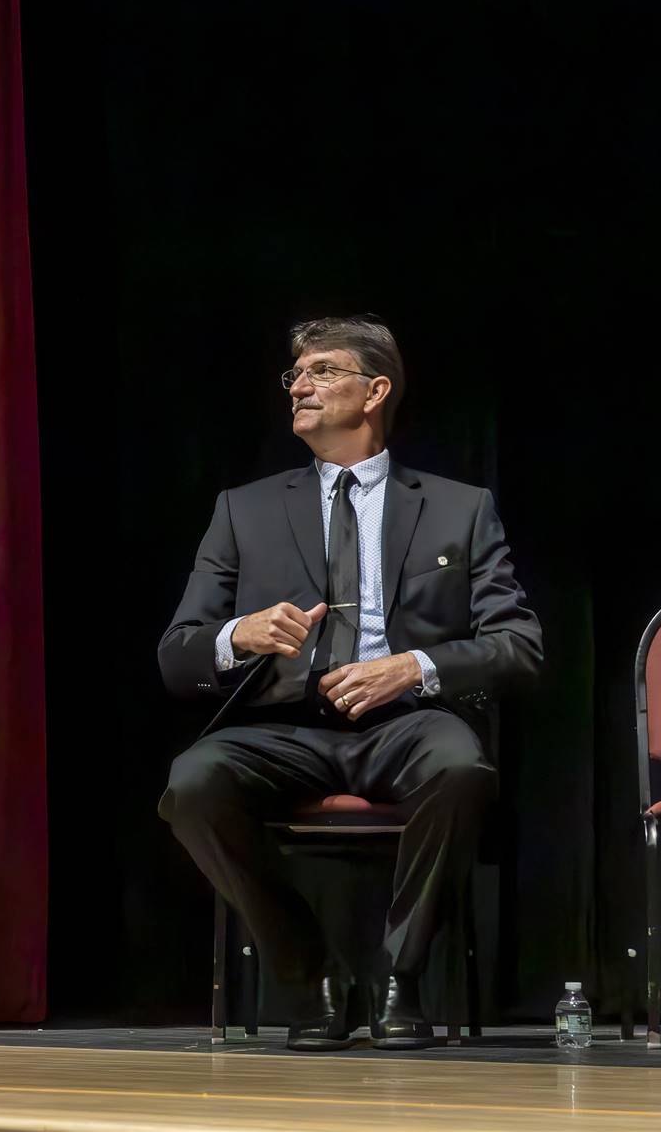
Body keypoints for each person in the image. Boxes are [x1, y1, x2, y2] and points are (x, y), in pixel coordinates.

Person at [157, 316, 542, 1051]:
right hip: (284, 728)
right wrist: (239, 635)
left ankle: (402, 978)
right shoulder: (244, 509)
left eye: (323, 370)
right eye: (294, 374)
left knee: (461, 765)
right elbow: (177, 654)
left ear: (375, 390)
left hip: (406, 721)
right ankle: (309, 974)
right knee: (193, 782)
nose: (300, 384)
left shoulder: (460, 509)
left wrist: (414, 666)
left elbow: (519, 646)